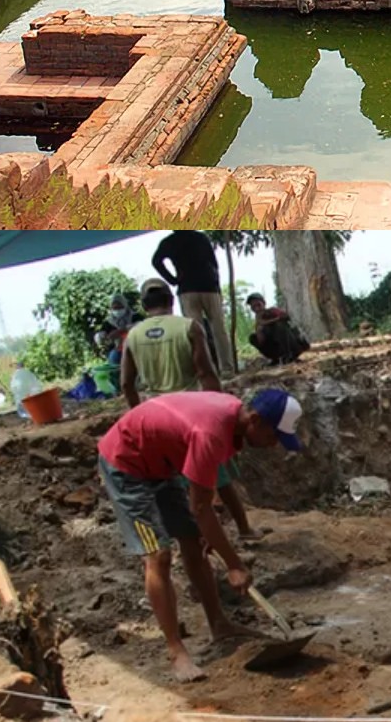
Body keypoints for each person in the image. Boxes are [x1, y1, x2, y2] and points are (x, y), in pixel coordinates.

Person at [97, 387, 305, 682]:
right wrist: (234, 565)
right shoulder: (212, 431)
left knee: (194, 540)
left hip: (162, 465)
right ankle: (176, 651)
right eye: (274, 437)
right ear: (255, 420)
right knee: (159, 554)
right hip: (126, 465)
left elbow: (203, 498)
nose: (274, 446)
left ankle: (220, 625)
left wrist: (210, 528)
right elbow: (200, 507)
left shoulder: (233, 419)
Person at [123, 279, 262, 543]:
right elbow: (206, 373)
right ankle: (243, 530)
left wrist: (138, 415)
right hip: (192, 415)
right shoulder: (188, 327)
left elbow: (127, 384)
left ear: (143, 305)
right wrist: (221, 414)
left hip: (156, 417)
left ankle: (195, 541)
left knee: (177, 485)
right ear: (171, 300)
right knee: (219, 476)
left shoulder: (133, 336)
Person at [151, 231, 235, 377]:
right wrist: (216, 284)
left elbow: (156, 261)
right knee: (219, 330)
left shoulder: (170, 241)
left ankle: (206, 370)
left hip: (187, 289)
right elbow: (213, 263)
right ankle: (226, 369)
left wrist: (173, 280)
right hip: (209, 286)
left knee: (196, 334)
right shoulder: (201, 237)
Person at [245, 293, 310, 366]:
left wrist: (269, 321)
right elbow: (261, 342)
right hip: (277, 347)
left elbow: (285, 318)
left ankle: (288, 356)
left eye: (258, 305)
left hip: (293, 345)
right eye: (253, 307)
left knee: (279, 326)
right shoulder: (258, 321)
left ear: (264, 303)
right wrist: (259, 328)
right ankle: (276, 358)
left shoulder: (273, 311)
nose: (257, 309)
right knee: (253, 337)